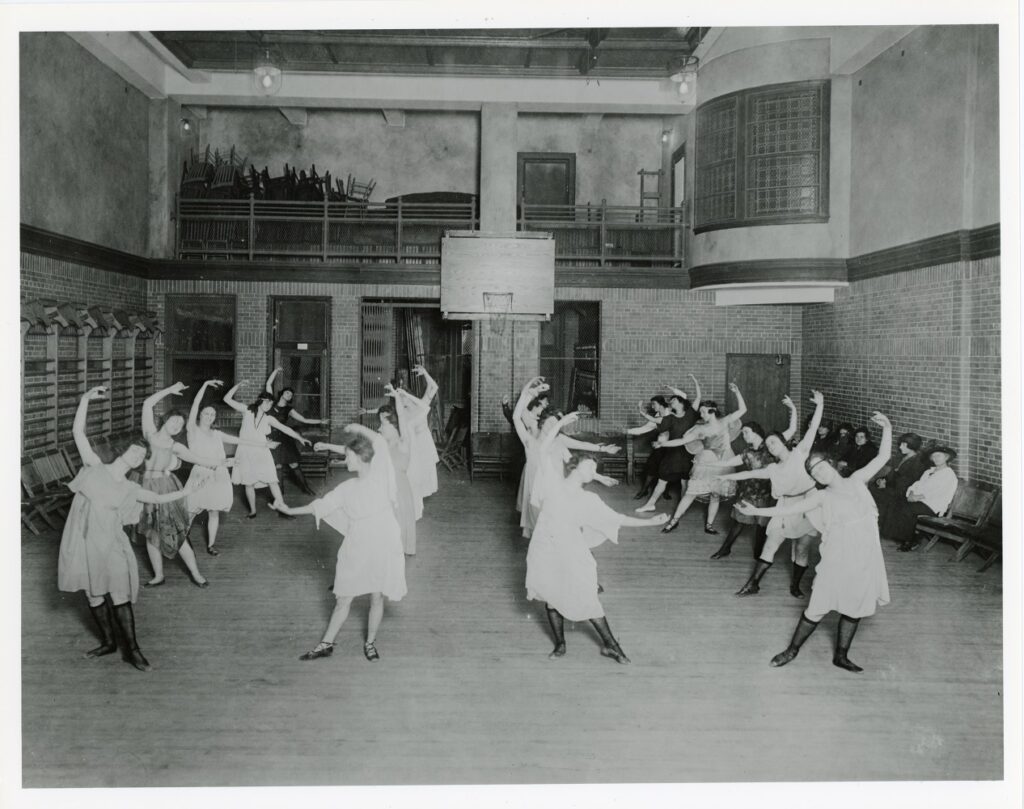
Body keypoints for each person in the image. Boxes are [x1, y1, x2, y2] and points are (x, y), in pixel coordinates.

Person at [736, 407, 894, 673]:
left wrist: (887, 429)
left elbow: (884, 456)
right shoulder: (821, 497)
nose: (819, 474)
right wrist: (756, 511)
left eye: (821, 468)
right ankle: (792, 649)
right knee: (818, 606)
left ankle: (841, 655)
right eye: (813, 473)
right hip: (837, 555)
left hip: (865, 555)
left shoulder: (857, 480)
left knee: (854, 607)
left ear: (830, 465)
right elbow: (786, 510)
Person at [58, 387, 203, 671]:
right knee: (94, 594)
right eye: (134, 452)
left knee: (120, 593)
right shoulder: (94, 465)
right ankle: (108, 642)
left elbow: (160, 497)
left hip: (110, 541)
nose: (137, 457)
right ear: (122, 451)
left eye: (141, 456)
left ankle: (133, 651)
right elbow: (78, 433)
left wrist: (188, 489)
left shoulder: (131, 487)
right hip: (83, 538)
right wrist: (85, 399)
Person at [526, 414, 668, 663]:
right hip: (545, 548)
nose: (595, 470)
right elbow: (544, 448)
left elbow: (618, 518)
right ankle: (560, 644)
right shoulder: (552, 482)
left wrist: (649, 522)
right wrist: (560, 423)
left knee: (587, 598)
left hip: (571, 551)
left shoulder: (589, 500)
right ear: (576, 465)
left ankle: (611, 645)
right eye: (591, 465)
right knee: (550, 596)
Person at [275, 425, 407, 662]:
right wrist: (289, 508)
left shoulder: (381, 475)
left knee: (377, 595)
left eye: (347, 456)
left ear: (359, 457)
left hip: (382, 541)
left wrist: (358, 428)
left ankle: (370, 643)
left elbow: (380, 443)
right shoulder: (347, 488)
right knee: (344, 596)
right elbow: (320, 506)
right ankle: (326, 644)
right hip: (357, 544)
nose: (344, 460)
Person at [724, 391, 825, 598]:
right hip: (785, 506)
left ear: (783, 442)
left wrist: (820, 405)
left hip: (808, 503)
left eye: (774, 442)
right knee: (770, 543)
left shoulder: (800, 453)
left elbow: (813, 428)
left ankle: (795, 586)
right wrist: (725, 478)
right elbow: (749, 473)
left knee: (802, 549)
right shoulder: (773, 469)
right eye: (768, 444)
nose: (771, 446)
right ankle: (753, 584)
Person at [134, 382, 234, 588]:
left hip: (165, 487)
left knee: (176, 531)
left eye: (180, 425)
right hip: (144, 486)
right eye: (174, 421)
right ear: (165, 420)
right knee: (150, 532)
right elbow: (147, 405)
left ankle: (196, 573)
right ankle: (158, 575)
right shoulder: (149, 434)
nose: (176, 426)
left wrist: (223, 462)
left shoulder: (176, 446)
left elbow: (199, 459)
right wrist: (169, 391)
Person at [184, 379, 275, 555]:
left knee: (214, 511)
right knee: (191, 511)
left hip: (218, 475)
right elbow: (195, 403)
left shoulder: (217, 433)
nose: (209, 417)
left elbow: (240, 440)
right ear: (199, 415)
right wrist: (204, 385)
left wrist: (263, 445)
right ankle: (184, 537)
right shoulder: (192, 430)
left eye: (212, 415)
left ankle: (211, 544)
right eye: (206, 414)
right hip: (200, 474)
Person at [709, 395, 798, 559]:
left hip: (767, 492)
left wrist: (793, 409)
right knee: (739, 521)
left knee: (762, 525)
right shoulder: (747, 452)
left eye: (746, 432)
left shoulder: (772, 444)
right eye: (742, 433)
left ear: (756, 432)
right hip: (748, 491)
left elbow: (791, 430)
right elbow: (730, 461)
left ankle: (759, 552)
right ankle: (725, 548)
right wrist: (711, 465)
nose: (744, 436)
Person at [659, 383, 747, 535]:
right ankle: (673, 521)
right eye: (700, 412)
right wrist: (663, 443)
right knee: (691, 492)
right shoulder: (700, 429)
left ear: (712, 411)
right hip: (706, 462)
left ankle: (709, 525)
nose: (701, 415)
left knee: (715, 494)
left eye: (704, 412)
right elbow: (682, 441)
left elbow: (743, 410)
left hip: (724, 461)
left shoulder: (725, 421)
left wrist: (737, 392)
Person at [223, 382, 309, 518]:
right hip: (245, 451)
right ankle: (253, 511)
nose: (269, 406)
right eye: (268, 402)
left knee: (272, 481)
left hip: (262, 451)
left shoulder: (269, 418)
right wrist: (238, 385)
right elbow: (226, 399)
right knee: (248, 482)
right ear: (261, 401)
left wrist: (299, 438)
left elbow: (285, 428)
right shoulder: (247, 410)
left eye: (271, 403)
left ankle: (283, 509)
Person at [635, 375, 702, 514]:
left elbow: (698, 397)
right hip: (672, 453)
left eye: (674, 400)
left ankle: (682, 508)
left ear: (681, 402)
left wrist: (695, 382)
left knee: (685, 481)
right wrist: (642, 413)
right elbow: (656, 421)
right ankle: (650, 504)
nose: (671, 403)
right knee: (662, 479)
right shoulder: (669, 418)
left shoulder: (690, 414)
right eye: (670, 402)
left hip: (688, 453)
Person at [265, 368, 330, 496]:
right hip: (271, 438)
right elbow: (268, 384)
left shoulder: (289, 410)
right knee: (277, 466)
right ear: (282, 393)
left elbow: (304, 419)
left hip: (285, 437)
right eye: (287, 392)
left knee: (294, 464)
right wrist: (276, 371)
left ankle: (306, 488)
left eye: (291, 394)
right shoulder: (270, 403)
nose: (289, 394)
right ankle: (280, 493)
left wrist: (320, 422)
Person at [393, 364, 440, 510]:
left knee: (426, 470)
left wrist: (425, 372)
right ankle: (416, 497)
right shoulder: (403, 413)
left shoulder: (421, 405)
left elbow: (434, 387)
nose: (402, 400)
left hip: (424, 442)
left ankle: (422, 497)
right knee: (414, 471)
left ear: (409, 395)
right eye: (400, 398)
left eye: (404, 397)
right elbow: (391, 413)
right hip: (414, 444)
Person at [379, 386, 419, 555]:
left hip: (400, 489)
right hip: (386, 486)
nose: (380, 429)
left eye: (383, 425)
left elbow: (401, 418)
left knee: (399, 520)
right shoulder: (384, 443)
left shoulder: (403, 443)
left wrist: (396, 397)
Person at [896, 446, 959, 552]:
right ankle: (906, 535)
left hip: (933, 506)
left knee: (908, 508)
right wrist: (911, 493)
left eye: (939, 456)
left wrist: (918, 497)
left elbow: (938, 492)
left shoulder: (948, 474)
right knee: (898, 502)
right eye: (933, 456)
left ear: (946, 458)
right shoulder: (929, 471)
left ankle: (910, 540)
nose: (936, 458)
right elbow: (917, 484)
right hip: (919, 502)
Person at [871, 432, 929, 540]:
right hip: (894, 488)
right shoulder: (901, 458)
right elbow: (891, 476)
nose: (900, 447)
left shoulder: (917, 463)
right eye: (900, 444)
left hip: (903, 492)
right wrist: (882, 481)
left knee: (881, 495)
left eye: (904, 445)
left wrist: (886, 486)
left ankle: (881, 528)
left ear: (912, 446)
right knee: (872, 487)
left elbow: (906, 483)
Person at [625, 396, 672, 502]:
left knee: (668, 470)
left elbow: (683, 397)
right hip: (659, 446)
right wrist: (628, 431)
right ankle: (644, 490)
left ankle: (665, 491)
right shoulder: (656, 416)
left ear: (661, 404)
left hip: (671, 446)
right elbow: (645, 428)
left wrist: (672, 389)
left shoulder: (671, 413)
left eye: (654, 404)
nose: (652, 406)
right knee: (651, 467)